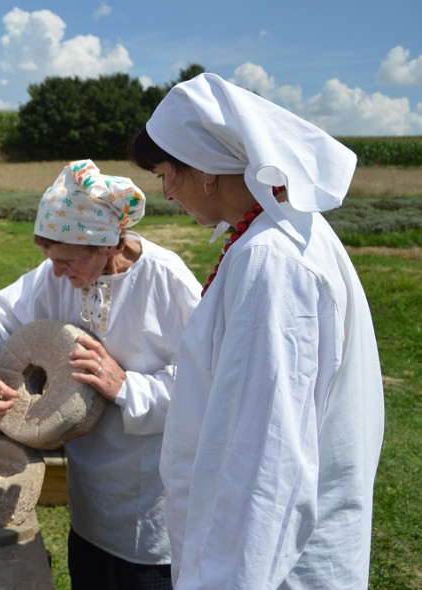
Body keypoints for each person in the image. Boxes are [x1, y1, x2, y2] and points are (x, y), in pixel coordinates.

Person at [128, 73, 384, 589]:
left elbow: (263, 463)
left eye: (164, 175)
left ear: (203, 169)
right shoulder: (275, 236)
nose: (166, 195)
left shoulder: (271, 262)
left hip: (270, 572)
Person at [0, 159, 202, 589]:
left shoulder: (167, 280)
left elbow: (205, 383)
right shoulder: (56, 277)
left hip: (150, 501)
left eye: (65, 260)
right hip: (89, 501)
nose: (57, 272)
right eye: (50, 259)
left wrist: (126, 386)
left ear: (106, 245)